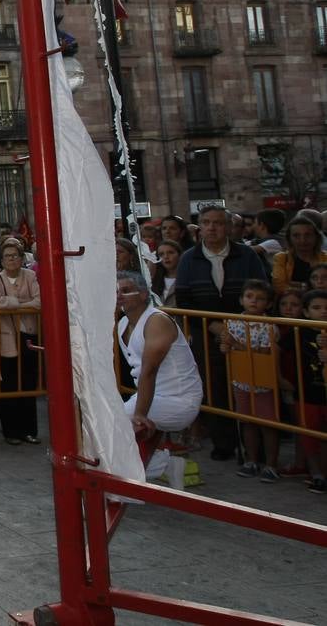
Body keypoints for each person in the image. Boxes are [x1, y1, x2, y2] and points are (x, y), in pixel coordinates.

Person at [174, 205, 269, 462]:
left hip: (246, 332)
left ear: (227, 226)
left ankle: (255, 448)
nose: (212, 227)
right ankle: (223, 443)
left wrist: (238, 324)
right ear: (200, 227)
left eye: (218, 222)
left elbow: (262, 289)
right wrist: (214, 326)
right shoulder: (188, 259)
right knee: (214, 388)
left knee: (251, 387)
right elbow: (183, 300)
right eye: (206, 222)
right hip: (206, 333)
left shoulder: (247, 255)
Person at [116, 271, 203, 475]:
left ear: (144, 294)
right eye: (116, 291)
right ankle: (163, 465)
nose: (119, 295)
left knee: (113, 422)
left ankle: (143, 473)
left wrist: (139, 414)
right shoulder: (122, 324)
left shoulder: (157, 321)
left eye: (126, 291)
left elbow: (149, 371)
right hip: (151, 396)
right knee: (106, 420)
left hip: (179, 400)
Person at [214, 279, 281, 482]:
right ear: (242, 300)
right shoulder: (232, 322)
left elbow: (263, 352)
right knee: (247, 422)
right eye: (250, 297)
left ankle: (271, 464)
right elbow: (226, 347)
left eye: (260, 299)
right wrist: (226, 347)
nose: (254, 301)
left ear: (268, 304)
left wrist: (235, 345)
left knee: (268, 425)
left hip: (263, 383)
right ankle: (251, 460)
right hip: (241, 381)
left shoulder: (270, 326)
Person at [0, 239, 42, 444]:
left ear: (22, 258)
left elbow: (39, 301)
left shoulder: (31, 275)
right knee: (9, 384)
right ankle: (11, 431)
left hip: (28, 334)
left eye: (15, 255)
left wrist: (11, 304)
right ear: (2, 260)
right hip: (7, 336)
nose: (12, 259)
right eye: (8, 256)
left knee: (28, 382)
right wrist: (21, 304)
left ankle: (29, 430)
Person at [292, 290, 327, 494]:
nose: (323, 312)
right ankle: (317, 474)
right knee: (309, 435)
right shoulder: (298, 331)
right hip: (306, 394)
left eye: (326, 308)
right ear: (305, 311)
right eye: (316, 308)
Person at [271, 216, 327, 296]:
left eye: (308, 235)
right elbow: (279, 287)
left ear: (316, 237)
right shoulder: (282, 258)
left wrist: (298, 286)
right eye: (296, 236)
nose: (302, 240)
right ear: (289, 238)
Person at [150, 240, 183, 307]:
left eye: (170, 252)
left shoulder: (186, 278)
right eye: (161, 254)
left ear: (179, 255)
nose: (166, 257)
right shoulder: (154, 281)